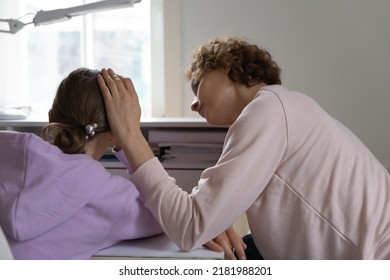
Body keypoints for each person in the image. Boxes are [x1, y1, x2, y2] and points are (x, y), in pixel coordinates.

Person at [97, 36, 390, 260]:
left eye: (197, 85)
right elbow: (202, 220)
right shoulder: (283, 108)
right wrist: (214, 218)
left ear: (227, 66)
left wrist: (130, 135)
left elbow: (190, 227)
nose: (194, 103)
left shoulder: (269, 111)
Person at [0, 67, 164, 259]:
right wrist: (129, 140)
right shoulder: (109, 197)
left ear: (51, 115)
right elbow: (166, 215)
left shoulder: (8, 153)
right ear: (114, 134)